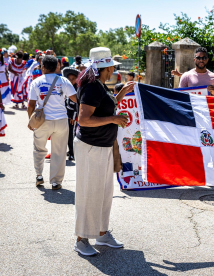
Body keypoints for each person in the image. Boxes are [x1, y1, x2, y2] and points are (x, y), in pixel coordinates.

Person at [73, 47, 134, 256]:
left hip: (103, 147)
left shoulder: (98, 85)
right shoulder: (92, 87)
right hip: (91, 148)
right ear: (105, 67)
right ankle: (81, 239)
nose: (113, 71)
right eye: (112, 67)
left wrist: (120, 95)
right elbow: (84, 119)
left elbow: (103, 107)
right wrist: (113, 119)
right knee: (89, 194)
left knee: (104, 193)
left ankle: (101, 233)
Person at [27, 55, 77, 190]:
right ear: (57, 66)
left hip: (43, 121)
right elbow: (75, 99)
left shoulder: (36, 82)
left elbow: (31, 105)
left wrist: (30, 121)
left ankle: (39, 175)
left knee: (39, 149)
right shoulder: (64, 81)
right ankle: (56, 181)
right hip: (61, 121)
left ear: (42, 67)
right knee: (59, 152)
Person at [62, 67, 80, 161]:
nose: (71, 81)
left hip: (73, 117)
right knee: (66, 134)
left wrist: (73, 117)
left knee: (71, 135)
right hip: (65, 115)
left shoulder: (78, 89)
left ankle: (73, 153)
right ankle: (69, 150)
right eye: (69, 79)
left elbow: (77, 105)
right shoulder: (66, 87)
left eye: (73, 79)